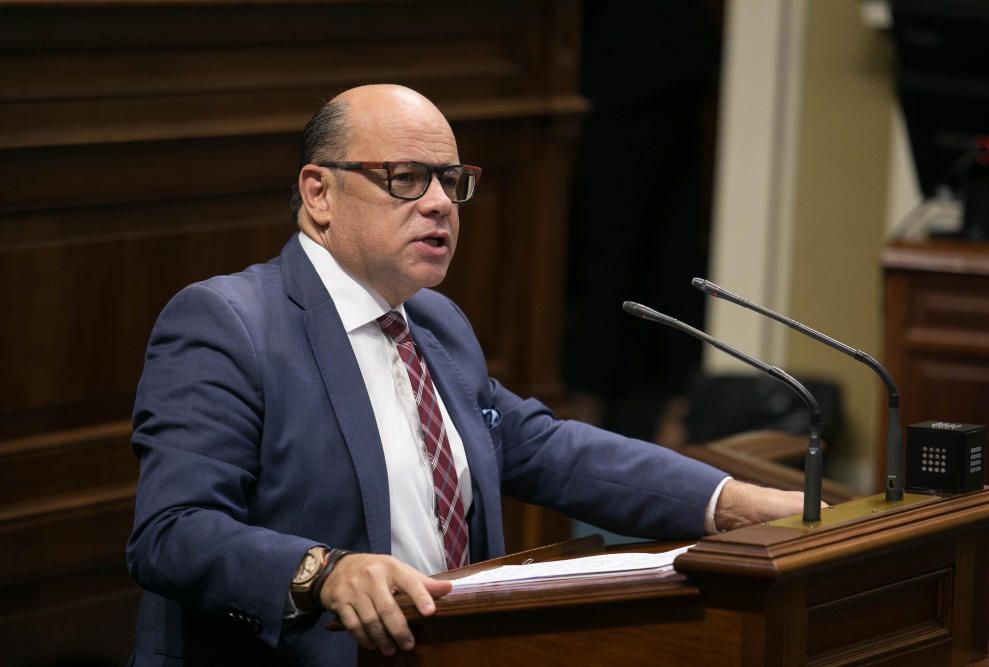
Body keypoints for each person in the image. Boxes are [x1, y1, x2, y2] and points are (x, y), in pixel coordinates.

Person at [126, 84, 803, 667]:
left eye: (451, 181)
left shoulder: (436, 322)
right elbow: (172, 531)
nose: (440, 204)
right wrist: (322, 572)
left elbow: (545, 448)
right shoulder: (229, 322)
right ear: (319, 191)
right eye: (405, 178)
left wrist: (733, 500)